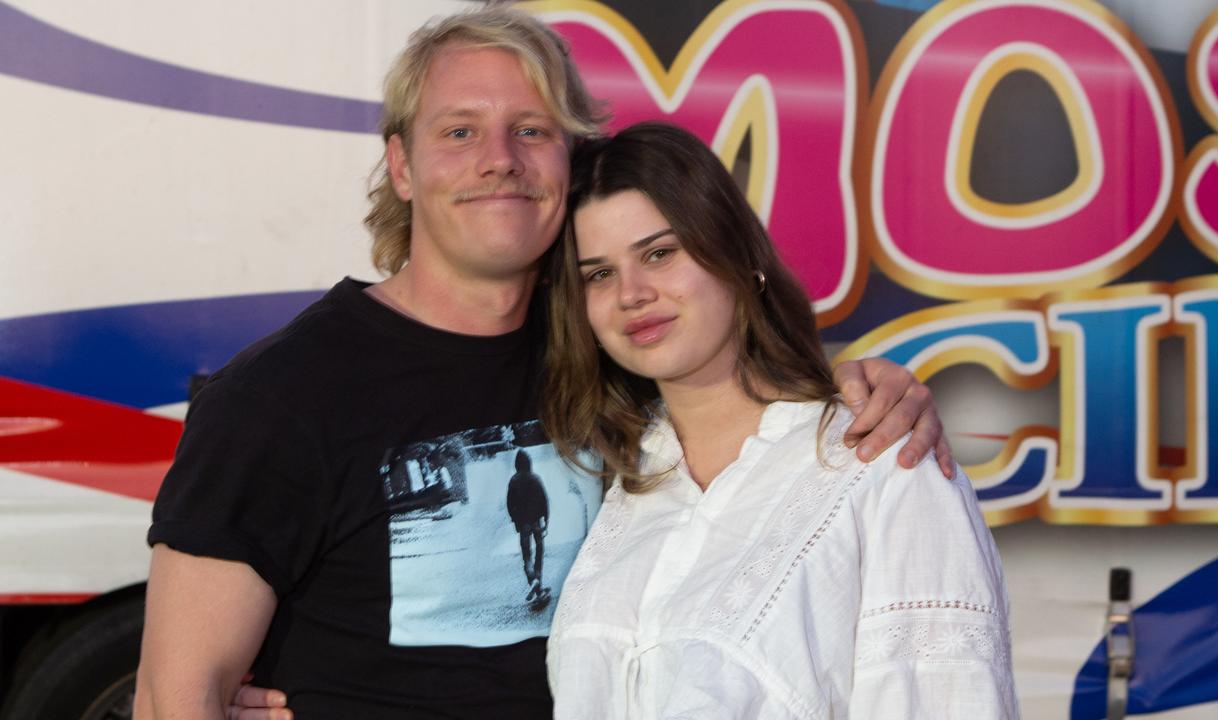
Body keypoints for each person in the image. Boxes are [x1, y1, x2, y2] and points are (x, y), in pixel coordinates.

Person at [134, 6, 951, 720]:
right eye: (460, 131)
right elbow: (178, 694)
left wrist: (864, 389)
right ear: (402, 167)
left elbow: (746, 399)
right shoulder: (277, 397)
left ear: (568, 161)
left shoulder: (610, 350)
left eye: (532, 130)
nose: (501, 158)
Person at [541, 122, 1018, 718]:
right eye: (599, 274)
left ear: (738, 258)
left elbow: (949, 700)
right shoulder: (607, 478)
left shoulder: (882, 459)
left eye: (660, 254)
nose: (631, 293)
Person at [507, 449, 551, 601]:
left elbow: (509, 504)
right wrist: (546, 519)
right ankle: (538, 578)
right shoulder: (535, 478)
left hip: (523, 524)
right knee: (539, 551)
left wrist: (515, 520)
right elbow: (544, 500)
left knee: (527, 555)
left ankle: (533, 580)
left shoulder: (513, 481)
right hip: (536, 522)